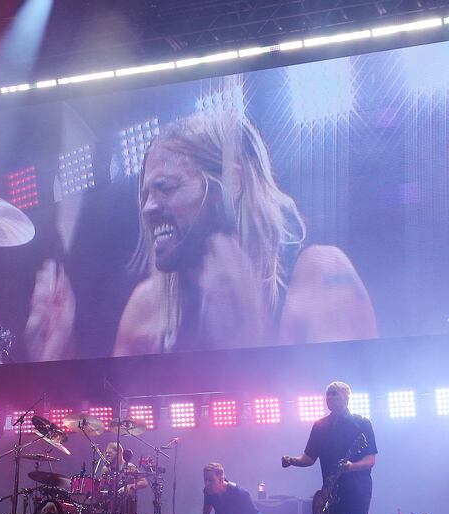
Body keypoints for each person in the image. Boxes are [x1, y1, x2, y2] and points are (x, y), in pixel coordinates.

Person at [25, 110, 377, 360]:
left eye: (166, 188)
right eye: (145, 194)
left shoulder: (321, 275)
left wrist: (249, 345)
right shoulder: (149, 304)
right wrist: (55, 361)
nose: (148, 208)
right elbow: (119, 435)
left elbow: (348, 430)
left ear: (231, 184)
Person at [282, 381, 378, 514]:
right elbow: (309, 458)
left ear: (347, 397)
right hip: (332, 492)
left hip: (358, 489)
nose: (330, 398)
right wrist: (291, 460)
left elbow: (371, 460)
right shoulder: (320, 426)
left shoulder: (362, 423)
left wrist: (351, 466)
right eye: (328, 395)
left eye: (335, 394)